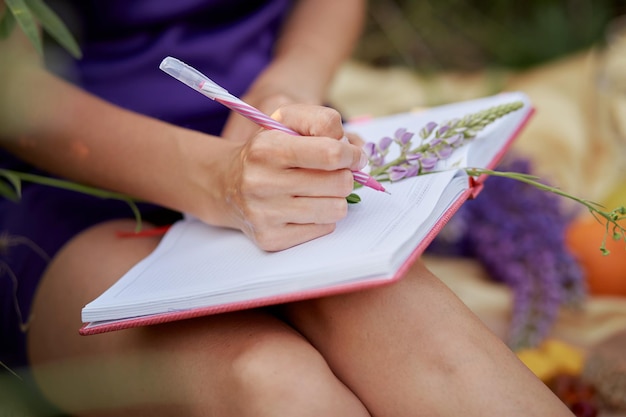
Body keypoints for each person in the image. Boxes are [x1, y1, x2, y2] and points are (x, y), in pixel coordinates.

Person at [0, 1, 575, 416]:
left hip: (276, 134)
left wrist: (287, 83)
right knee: (271, 382)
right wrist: (220, 180)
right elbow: (14, 91)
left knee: (431, 343)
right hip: (74, 183)